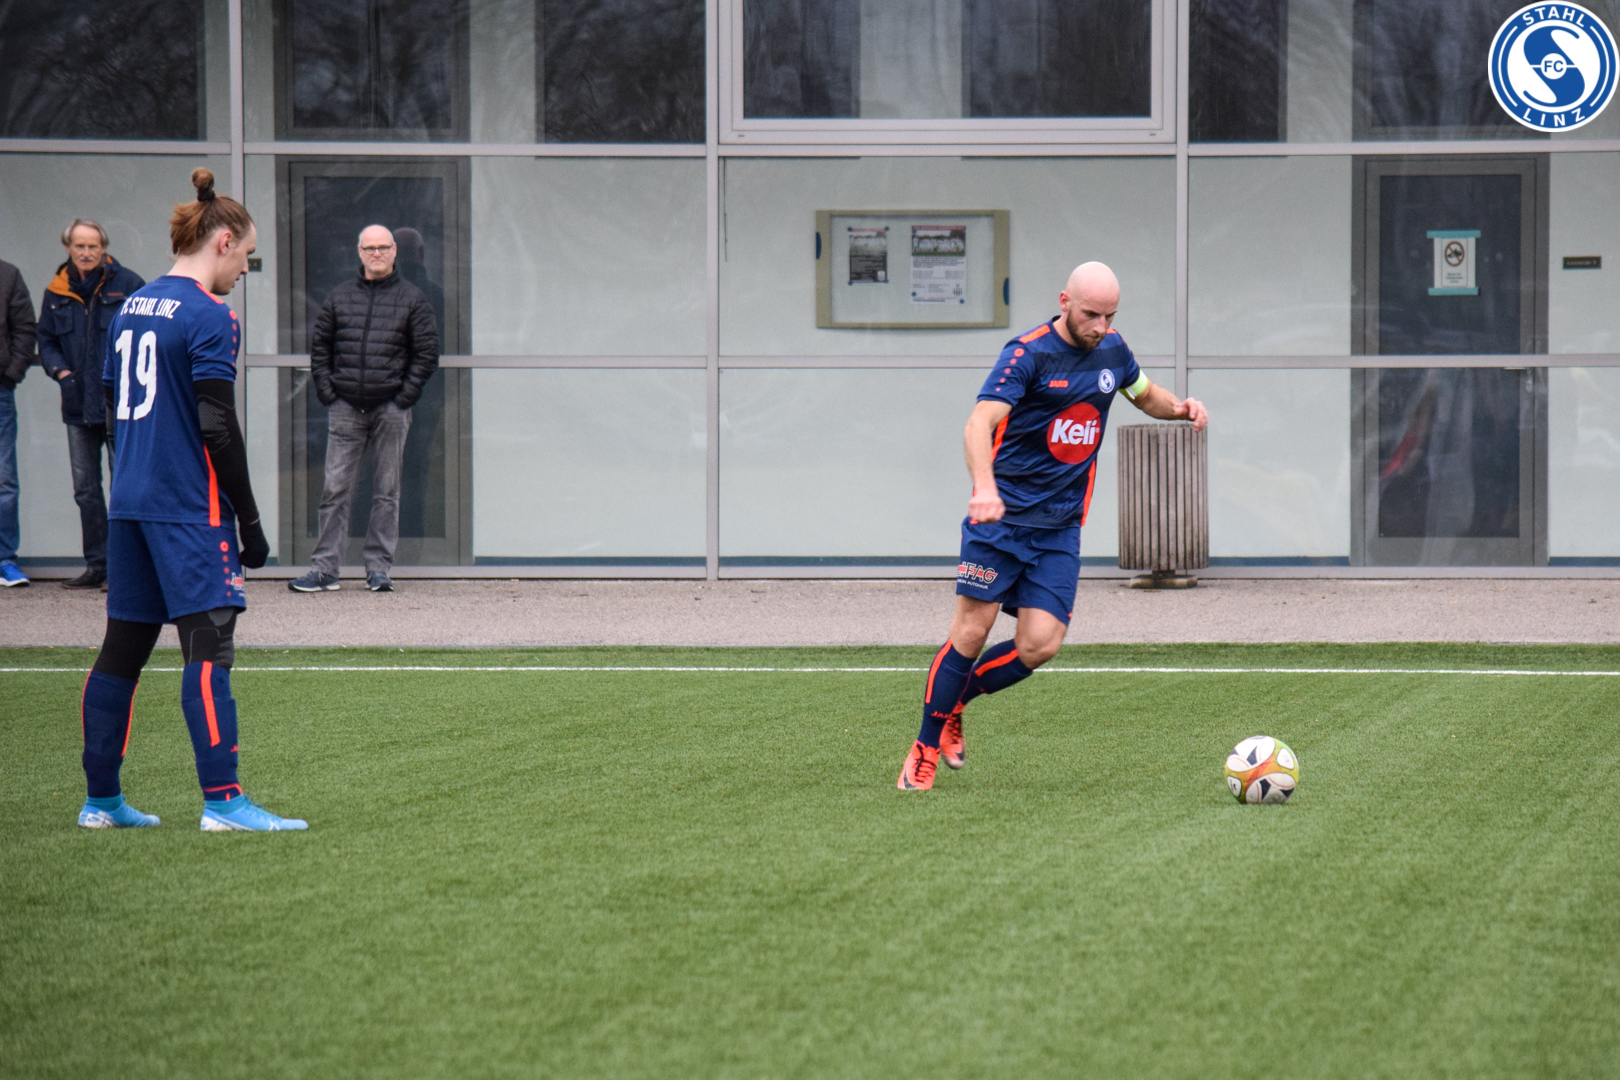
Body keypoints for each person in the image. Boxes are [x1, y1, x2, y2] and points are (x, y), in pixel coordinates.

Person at [897, 262, 1210, 791]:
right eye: (1091, 315)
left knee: (1039, 645)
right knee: (971, 631)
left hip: (1060, 527)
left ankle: (955, 703)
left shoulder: (1113, 350)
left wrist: (1179, 408)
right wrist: (984, 487)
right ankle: (924, 746)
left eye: (1110, 316)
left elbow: (1142, 392)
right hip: (1001, 520)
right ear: (1065, 302)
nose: (1101, 327)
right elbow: (978, 423)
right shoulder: (1028, 354)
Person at [77, 167, 304, 832]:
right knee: (208, 647)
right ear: (223, 241)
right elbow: (216, 425)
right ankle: (224, 802)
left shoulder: (129, 308)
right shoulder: (211, 315)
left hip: (130, 504)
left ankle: (101, 803)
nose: (245, 270)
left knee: (122, 649)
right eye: (247, 255)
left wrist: (134, 477)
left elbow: (112, 411)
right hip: (188, 508)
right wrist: (250, 521)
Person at [289, 224, 438, 594]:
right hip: (345, 409)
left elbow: (426, 354)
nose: (377, 254)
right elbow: (320, 348)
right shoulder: (340, 297)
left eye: (383, 247)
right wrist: (329, 393)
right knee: (334, 490)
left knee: (387, 491)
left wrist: (402, 399)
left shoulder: (413, 299)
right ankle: (325, 570)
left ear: (394, 251)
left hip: (391, 409)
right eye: (370, 248)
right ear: (359, 252)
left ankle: (378, 569)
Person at [37, 220, 146, 590]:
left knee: (124, 488)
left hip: (118, 404)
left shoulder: (129, 285)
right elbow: (45, 339)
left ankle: (124, 569)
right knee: (85, 490)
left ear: (104, 248)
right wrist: (62, 373)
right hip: (77, 404)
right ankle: (97, 565)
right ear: (68, 248)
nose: (86, 253)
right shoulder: (57, 290)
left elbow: (145, 337)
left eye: (93, 246)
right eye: (79, 246)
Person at [0, 255, 38, 587]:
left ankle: (4, 560)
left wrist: (10, 375)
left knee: (4, 479)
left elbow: (25, 328)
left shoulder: (8, 275)